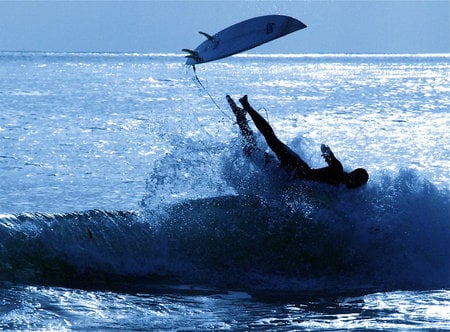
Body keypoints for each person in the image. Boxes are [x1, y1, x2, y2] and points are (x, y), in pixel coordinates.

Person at [226, 95, 369, 189]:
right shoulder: (337, 170)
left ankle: (241, 119)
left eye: (356, 183)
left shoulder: (342, 192)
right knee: (271, 139)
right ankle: (247, 106)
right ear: (352, 173)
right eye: (355, 178)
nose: (353, 182)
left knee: (250, 151)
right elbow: (325, 150)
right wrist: (327, 152)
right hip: (296, 167)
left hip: (286, 175)